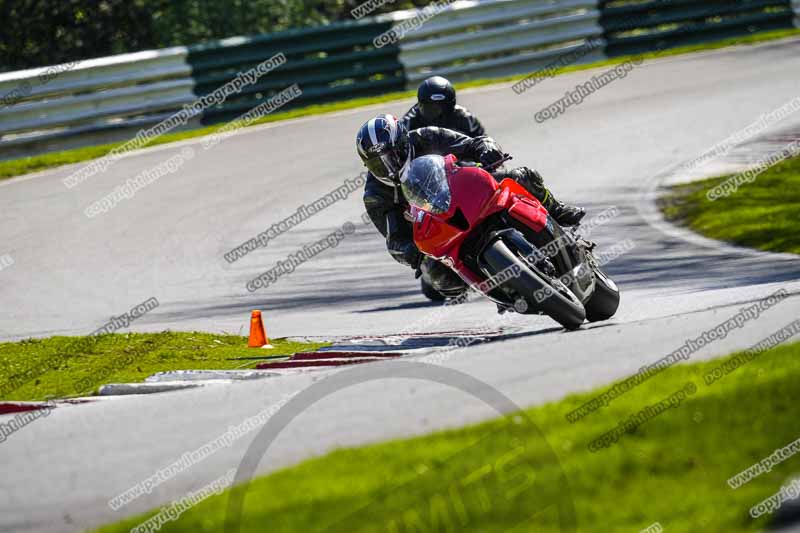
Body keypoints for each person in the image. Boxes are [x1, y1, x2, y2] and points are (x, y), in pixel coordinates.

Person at [356, 113, 584, 300]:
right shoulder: (375, 195)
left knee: (520, 176)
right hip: (440, 230)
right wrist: (410, 254)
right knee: (435, 275)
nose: (389, 167)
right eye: (379, 163)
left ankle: (555, 209)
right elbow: (394, 237)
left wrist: (486, 149)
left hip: (466, 193)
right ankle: (498, 288)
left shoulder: (425, 137)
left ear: (404, 142)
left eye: (393, 155)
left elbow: (473, 143)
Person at [402, 76, 485, 137]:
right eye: (431, 108)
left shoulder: (465, 117)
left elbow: (483, 141)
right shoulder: (408, 121)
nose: (437, 113)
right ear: (420, 104)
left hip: (459, 158)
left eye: (442, 107)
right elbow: (397, 151)